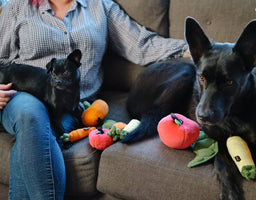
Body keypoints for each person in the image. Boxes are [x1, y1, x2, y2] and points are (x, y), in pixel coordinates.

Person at [0, 0, 189, 199]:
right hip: (21, 97)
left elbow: (142, 45)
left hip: (69, 107)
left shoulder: (101, 7)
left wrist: (202, 49)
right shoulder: (18, 7)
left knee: (34, 137)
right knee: (31, 116)